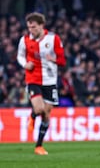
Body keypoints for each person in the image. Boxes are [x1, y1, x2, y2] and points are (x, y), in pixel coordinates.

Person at [17, 12, 66, 155]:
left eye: (34, 27)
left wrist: (53, 59)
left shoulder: (53, 39)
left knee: (46, 114)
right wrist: (25, 64)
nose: (31, 30)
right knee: (39, 109)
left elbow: (63, 61)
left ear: (41, 26)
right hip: (33, 79)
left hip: (50, 81)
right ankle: (32, 117)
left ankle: (39, 146)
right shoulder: (24, 40)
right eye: (29, 27)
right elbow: (19, 56)